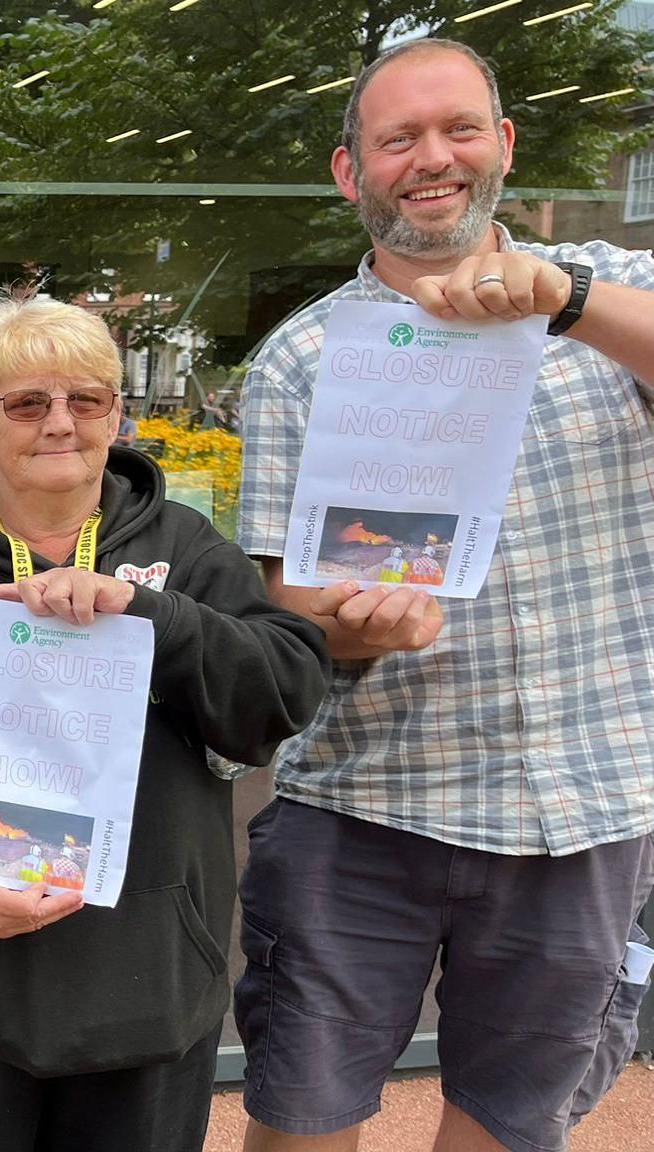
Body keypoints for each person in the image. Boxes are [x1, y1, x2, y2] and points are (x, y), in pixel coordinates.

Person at [235, 38, 654, 1152]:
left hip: (583, 806)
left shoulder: (609, 295)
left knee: (509, 1131)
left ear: (502, 144)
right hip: (365, 809)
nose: (432, 158)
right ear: (349, 171)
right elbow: (288, 606)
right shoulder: (301, 358)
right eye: (397, 139)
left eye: (458, 128)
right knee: (299, 1119)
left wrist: (567, 301)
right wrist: (348, 631)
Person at [0, 298, 328, 1152]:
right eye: (27, 403)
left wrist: (152, 616)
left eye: (85, 400)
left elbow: (282, 693)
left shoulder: (191, 552)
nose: (60, 423)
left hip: (149, 991)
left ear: (117, 416)